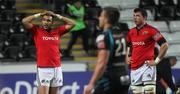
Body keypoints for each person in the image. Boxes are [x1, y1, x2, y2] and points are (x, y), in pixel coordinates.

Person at [22, 11, 76, 94]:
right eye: (43, 20)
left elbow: (73, 23)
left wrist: (58, 16)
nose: (45, 22)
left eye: (48, 20)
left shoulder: (58, 31)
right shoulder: (36, 31)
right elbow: (24, 21)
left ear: (52, 23)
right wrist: (39, 14)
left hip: (57, 68)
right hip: (44, 69)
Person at [84, 7, 129, 94]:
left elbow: (102, 63)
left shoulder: (104, 36)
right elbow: (126, 59)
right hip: (124, 77)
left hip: (109, 79)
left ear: (106, 19)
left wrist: (91, 84)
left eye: (101, 16)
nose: (99, 18)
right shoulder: (122, 35)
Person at [126, 8, 168, 94]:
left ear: (144, 17)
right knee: (137, 92)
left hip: (147, 66)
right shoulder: (131, 32)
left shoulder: (151, 30)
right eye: (134, 16)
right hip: (134, 68)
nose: (135, 18)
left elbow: (164, 45)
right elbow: (129, 46)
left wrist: (156, 61)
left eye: (137, 16)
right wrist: (128, 56)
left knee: (149, 91)